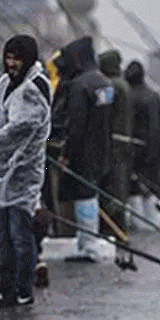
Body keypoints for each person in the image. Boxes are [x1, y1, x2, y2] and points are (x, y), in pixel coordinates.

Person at [0, 35, 52, 307]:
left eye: (16, 59)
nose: (11, 64)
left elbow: (23, 126)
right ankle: (4, 287)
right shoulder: (4, 83)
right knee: (2, 234)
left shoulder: (34, 87)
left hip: (23, 171)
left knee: (20, 234)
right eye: (8, 58)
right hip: (1, 170)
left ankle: (22, 289)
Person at [52, 36, 114, 261]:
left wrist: (67, 153)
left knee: (83, 196)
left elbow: (76, 126)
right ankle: (88, 241)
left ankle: (88, 245)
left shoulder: (80, 85)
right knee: (91, 194)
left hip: (83, 151)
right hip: (102, 148)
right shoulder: (103, 81)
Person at [124, 59, 160, 228]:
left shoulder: (128, 97)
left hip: (134, 153)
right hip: (156, 154)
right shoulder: (156, 97)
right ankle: (152, 228)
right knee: (152, 193)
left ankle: (140, 227)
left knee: (135, 192)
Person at [98, 49, 133, 233]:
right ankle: (120, 225)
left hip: (113, 142)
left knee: (114, 185)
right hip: (124, 140)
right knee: (121, 184)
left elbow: (103, 113)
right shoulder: (124, 84)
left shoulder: (112, 86)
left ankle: (115, 227)